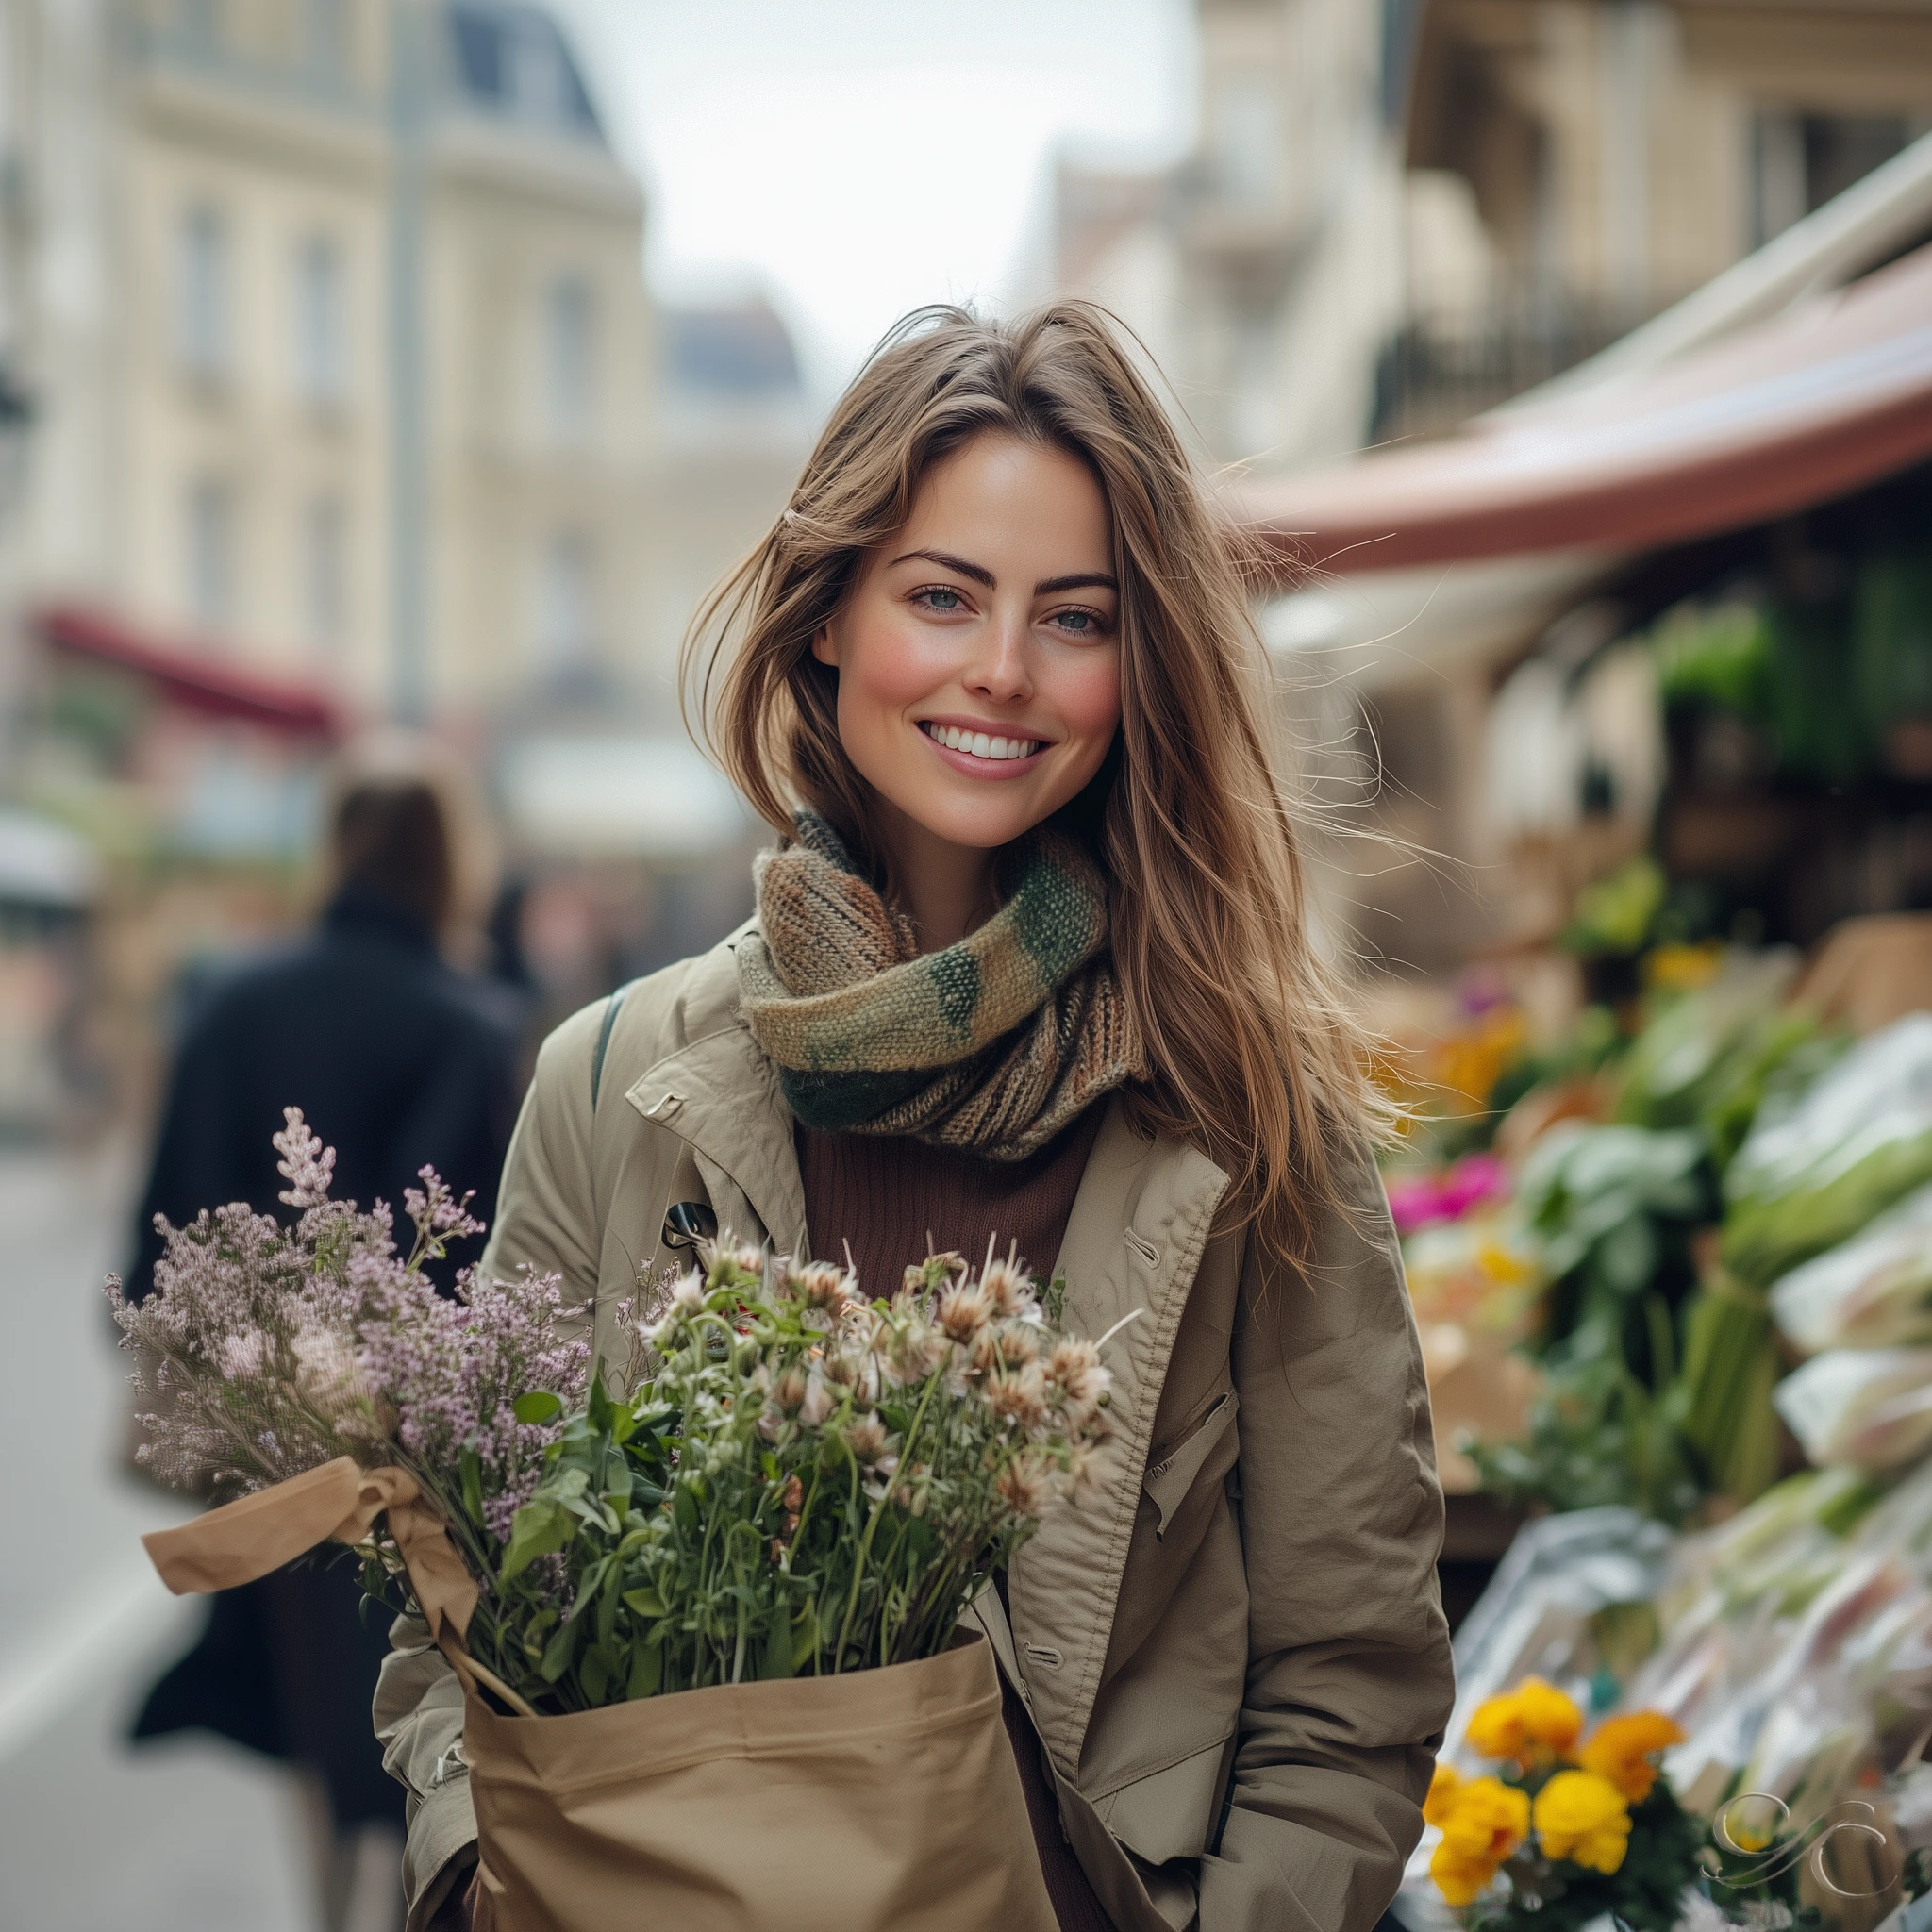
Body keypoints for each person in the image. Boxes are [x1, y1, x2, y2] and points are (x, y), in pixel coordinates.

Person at [379, 305, 1455, 1932]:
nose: (1001, 670)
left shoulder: (1244, 1117)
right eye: (940, 595)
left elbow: (1346, 1686)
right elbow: (456, 1619)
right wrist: (486, 1877)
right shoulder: (607, 1086)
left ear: (1137, 656)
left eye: (1074, 616)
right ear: (826, 618)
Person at [128, 742, 522, 1932]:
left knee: (305, 1690)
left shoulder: (235, 1002)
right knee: (426, 1675)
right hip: (416, 1444)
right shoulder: (478, 1022)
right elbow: (491, 1253)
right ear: (449, 864)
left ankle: (328, 1903)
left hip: (266, 1434)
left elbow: (162, 1224)